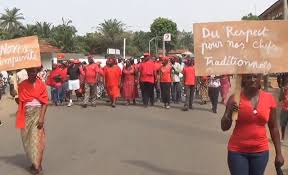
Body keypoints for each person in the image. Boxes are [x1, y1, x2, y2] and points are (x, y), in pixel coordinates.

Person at [221, 74, 284, 175]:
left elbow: (274, 128)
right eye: (248, 77)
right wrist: (229, 112)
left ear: (260, 78)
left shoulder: (268, 99)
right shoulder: (235, 98)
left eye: (255, 77)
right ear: (244, 80)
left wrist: (279, 153)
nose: (252, 80)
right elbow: (224, 127)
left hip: (260, 152)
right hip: (237, 151)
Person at [16, 67, 49, 175]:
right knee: (27, 140)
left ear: (37, 72)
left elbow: (44, 103)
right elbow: (20, 101)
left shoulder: (41, 84)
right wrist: (17, 98)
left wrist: (41, 118)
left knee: (37, 140)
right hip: (26, 115)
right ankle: (34, 161)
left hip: (37, 114)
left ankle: (37, 166)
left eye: (33, 71)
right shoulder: (22, 85)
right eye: (29, 71)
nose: (31, 73)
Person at [280, 76, 288, 143]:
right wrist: (283, 91)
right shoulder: (283, 89)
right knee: (283, 125)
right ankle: (282, 137)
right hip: (284, 109)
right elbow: (280, 99)